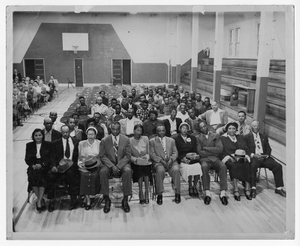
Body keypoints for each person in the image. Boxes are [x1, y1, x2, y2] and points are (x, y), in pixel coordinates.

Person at [244, 120, 286, 198]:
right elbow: (245, 149)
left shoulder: (264, 136)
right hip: (254, 158)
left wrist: (265, 156)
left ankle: (279, 188)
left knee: (278, 166)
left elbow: (268, 148)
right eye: (254, 126)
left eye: (257, 126)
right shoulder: (247, 137)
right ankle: (253, 188)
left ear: (259, 127)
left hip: (264, 157)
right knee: (252, 166)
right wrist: (253, 155)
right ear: (251, 127)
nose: (255, 128)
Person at [99, 122, 132, 213]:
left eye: (117, 129)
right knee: (102, 172)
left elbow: (128, 156)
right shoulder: (104, 140)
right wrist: (112, 166)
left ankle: (125, 199)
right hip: (109, 164)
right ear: (110, 129)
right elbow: (102, 156)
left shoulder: (126, 139)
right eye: (113, 129)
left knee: (128, 171)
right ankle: (106, 199)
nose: (115, 131)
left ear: (120, 129)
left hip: (122, 163)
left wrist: (118, 166)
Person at [47, 125, 80, 212]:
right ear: (61, 132)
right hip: (59, 166)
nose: (65, 134)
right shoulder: (55, 143)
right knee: (50, 175)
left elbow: (78, 156)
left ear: (70, 132)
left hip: (72, 166)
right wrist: (53, 166)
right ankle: (51, 200)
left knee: (72, 176)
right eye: (63, 132)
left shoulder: (76, 141)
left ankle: (74, 200)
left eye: (67, 132)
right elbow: (52, 157)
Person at [197, 121, 228, 205]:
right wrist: (213, 150)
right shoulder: (198, 137)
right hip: (204, 159)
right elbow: (200, 152)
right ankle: (207, 192)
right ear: (199, 129)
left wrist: (206, 148)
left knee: (223, 166)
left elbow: (220, 149)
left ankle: (223, 192)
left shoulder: (215, 135)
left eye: (204, 126)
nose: (203, 128)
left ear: (207, 126)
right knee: (204, 167)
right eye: (201, 127)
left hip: (215, 158)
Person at [219, 122, 252, 201]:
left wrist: (245, 156)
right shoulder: (223, 138)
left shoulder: (240, 137)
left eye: (233, 128)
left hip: (241, 157)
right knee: (233, 166)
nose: (231, 130)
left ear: (236, 129)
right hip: (229, 158)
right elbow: (222, 151)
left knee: (247, 164)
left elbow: (246, 148)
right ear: (227, 129)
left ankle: (247, 188)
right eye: (229, 128)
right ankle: (236, 189)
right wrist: (229, 157)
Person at [150, 125, 181, 205]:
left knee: (176, 170)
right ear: (156, 132)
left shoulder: (171, 140)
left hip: (171, 161)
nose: (161, 132)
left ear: (165, 131)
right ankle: (159, 194)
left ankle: (177, 193)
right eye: (159, 131)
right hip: (159, 162)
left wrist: (171, 160)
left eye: (163, 130)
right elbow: (152, 154)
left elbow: (175, 152)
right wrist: (161, 160)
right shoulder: (152, 141)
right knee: (160, 171)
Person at [25, 129, 53, 212]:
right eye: (36, 135)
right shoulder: (29, 145)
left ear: (42, 136)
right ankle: (40, 199)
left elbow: (49, 158)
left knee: (43, 178)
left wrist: (42, 164)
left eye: (39, 135)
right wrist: (32, 165)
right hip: (33, 165)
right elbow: (27, 158)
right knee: (32, 177)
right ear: (33, 136)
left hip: (44, 165)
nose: (38, 137)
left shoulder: (48, 144)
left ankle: (39, 201)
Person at [173, 123, 202, 198]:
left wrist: (194, 156)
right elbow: (176, 152)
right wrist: (182, 159)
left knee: (197, 167)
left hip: (192, 158)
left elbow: (195, 149)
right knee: (188, 168)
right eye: (183, 128)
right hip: (182, 158)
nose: (184, 130)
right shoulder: (176, 139)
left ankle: (195, 186)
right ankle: (190, 186)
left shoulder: (192, 137)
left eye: (186, 128)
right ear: (180, 129)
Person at [77, 127, 101, 210]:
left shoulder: (99, 143)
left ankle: (90, 196)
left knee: (94, 176)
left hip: (96, 165)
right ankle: (87, 199)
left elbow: (100, 157)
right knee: (84, 175)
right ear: (86, 135)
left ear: (95, 135)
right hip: (84, 165)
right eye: (89, 134)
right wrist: (81, 165)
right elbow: (80, 157)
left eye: (92, 134)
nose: (90, 136)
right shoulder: (81, 143)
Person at [129, 125, 152, 204]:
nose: (139, 133)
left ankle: (146, 192)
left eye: (140, 131)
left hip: (145, 161)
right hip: (135, 162)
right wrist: (135, 160)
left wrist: (146, 157)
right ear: (134, 131)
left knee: (146, 169)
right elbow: (128, 155)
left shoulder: (145, 138)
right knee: (139, 169)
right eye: (137, 130)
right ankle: (140, 191)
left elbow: (149, 152)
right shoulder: (130, 140)